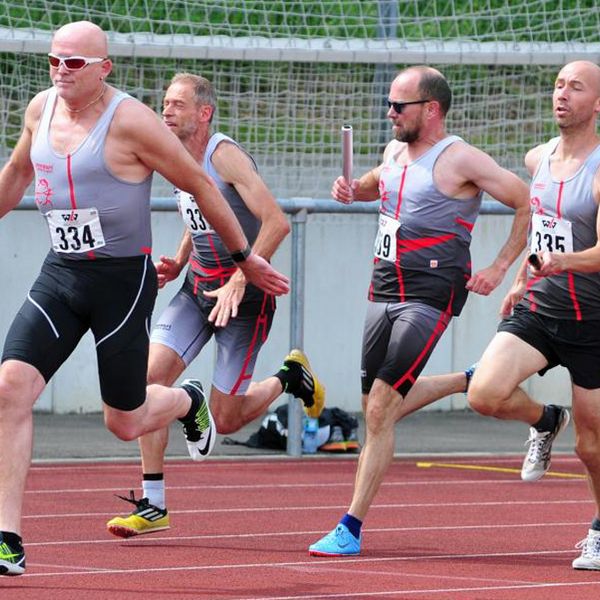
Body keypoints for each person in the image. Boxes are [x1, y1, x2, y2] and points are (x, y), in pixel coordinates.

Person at [0, 21, 290, 577]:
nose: (62, 70)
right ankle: (9, 537)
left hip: (120, 282)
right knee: (12, 386)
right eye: (55, 60)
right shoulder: (40, 109)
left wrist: (242, 259)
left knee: (125, 421)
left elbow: (202, 188)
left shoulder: (132, 121)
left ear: (104, 68)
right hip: (60, 274)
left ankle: (187, 401)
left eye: (75, 63)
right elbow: (17, 171)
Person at [308, 65, 530, 557]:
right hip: (383, 285)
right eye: (389, 104)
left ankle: (350, 526)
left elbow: (524, 201)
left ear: (430, 109)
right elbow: (374, 185)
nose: (390, 113)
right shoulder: (393, 152)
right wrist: (350, 190)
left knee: (381, 407)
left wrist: (496, 267)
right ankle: (465, 379)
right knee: (376, 407)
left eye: (398, 106)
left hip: (431, 290)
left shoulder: (461, 158)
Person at [105, 73, 325, 538]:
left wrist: (240, 280)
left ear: (204, 113)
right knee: (145, 382)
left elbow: (276, 222)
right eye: (164, 102)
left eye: (177, 104)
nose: (166, 111)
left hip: (244, 301)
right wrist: (180, 259)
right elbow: (201, 211)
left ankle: (289, 378)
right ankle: (154, 504)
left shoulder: (223, 154)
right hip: (196, 288)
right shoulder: (173, 154)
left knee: (226, 419)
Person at [467, 60, 600, 571]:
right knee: (485, 392)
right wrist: (522, 279)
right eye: (559, 85)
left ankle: (599, 527)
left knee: (592, 448)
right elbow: (542, 226)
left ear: (597, 104)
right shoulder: (537, 157)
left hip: (592, 321)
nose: (562, 94)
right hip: (542, 310)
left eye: (576, 87)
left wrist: (562, 261)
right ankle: (545, 421)